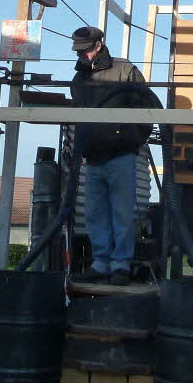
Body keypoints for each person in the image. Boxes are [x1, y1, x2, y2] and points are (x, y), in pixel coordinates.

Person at [68, 24, 154, 285]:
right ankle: (103, 263)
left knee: (121, 214)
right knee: (96, 214)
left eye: (85, 51)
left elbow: (147, 108)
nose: (81, 56)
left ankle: (119, 265)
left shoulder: (125, 70)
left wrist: (132, 141)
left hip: (120, 155)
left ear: (98, 45)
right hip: (94, 157)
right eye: (78, 52)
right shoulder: (80, 78)